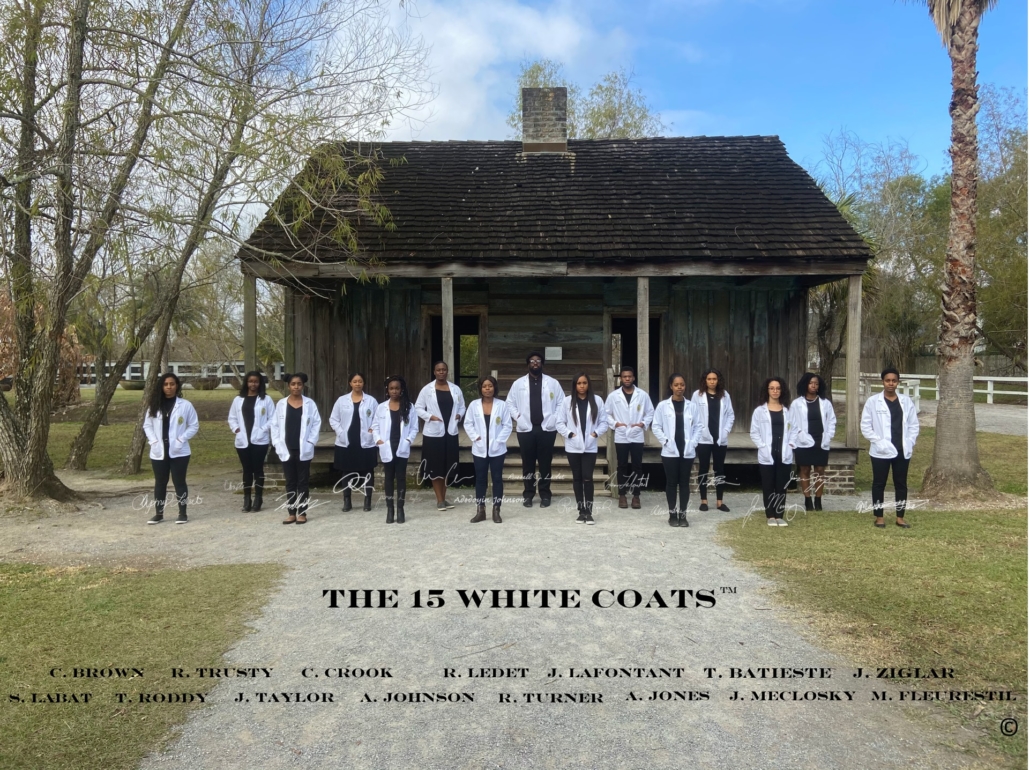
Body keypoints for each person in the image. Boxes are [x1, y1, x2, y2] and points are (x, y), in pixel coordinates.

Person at [860, 367, 920, 529]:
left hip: (901, 450)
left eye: (894, 381)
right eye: (888, 380)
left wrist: (910, 441)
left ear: (898, 382)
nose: (891, 384)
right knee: (879, 483)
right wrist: (878, 442)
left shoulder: (906, 402)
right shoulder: (873, 402)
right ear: (883, 382)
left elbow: (914, 425)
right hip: (880, 451)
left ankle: (900, 517)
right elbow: (866, 426)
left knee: (901, 484)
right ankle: (879, 517)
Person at [505, 351, 565, 508]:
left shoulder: (553, 383)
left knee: (545, 463)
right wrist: (518, 417)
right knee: (528, 463)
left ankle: (545, 495)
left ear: (542, 363)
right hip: (526, 429)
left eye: (538, 360)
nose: (535, 363)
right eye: (532, 361)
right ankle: (528, 494)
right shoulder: (518, 383)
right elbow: (509, 402)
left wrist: (554, 417)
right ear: (528, 364)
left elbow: (561, 402)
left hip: (547, 429)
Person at [143, 373, 199, 524]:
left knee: (179, 481)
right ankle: (159, 514)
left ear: (177, 386)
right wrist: (153, 441)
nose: (169, 387)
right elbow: (147, 425)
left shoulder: (185, 405)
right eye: (166, 384)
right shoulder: (153, 405)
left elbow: (194, 425)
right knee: (160, 482)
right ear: (161, 387)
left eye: (172, 384)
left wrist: (181, 438)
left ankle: (182, 513)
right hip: (159, 450)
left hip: (179, 450)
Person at [651, 373, 702, 528]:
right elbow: (656, 426)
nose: (680, 387)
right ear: (671, 386)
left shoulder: (692, 406)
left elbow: (699, 426)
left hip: (687, 451)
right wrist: (665, 441)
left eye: (682, 385)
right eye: (676, 385)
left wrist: (693, 443)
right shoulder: (662, 406)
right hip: (670, 451)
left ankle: (683, 514)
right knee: (672, 483)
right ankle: (672, 515)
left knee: (685, 483)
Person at [270, 372, 322, 524]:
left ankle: (303, 513)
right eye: (293, 384)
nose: (296, 387)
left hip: (303, 448)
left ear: (303, 386)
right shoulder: (281, 404)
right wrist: (277, 443)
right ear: (288, 386)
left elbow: (316, 423)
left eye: (299, 384)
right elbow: (274, 425)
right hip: (286, 447)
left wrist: (311, 442)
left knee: (303, 481)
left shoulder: (309, 404)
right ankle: (291, 512)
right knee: (290, 481)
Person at [415, 361, 466, 511]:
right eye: (439, 370)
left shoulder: (455, 389)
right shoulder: (427, 389)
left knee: (447, 466)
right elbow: (418, 407)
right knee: (435, 466)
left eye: (444, 369)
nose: (441, 372)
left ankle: (444, 498)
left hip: (450, 432)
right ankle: (439, 500)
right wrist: (430, 416)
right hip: (433, 434)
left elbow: (462, 406)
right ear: (434, 372)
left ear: (447, 371)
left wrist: (459, 415)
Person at [558, 373, 609, 525]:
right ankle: (581, 511)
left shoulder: (597, 400)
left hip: (590, 446)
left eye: (584, 383)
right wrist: (570, 434)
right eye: (579, 383)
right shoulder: (567, 402)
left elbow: (604, 422)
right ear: (575, 385)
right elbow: (559, 422)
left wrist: (595, 433)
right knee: (577, 478)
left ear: (588, 384)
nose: (582, 386)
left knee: (588, 477)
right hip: (573, 446)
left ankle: (589, 512)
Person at [463, 376, 513, 524]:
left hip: (497, 449)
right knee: (480, 479)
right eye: (484, 386)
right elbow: (468, 423)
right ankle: (481, 510)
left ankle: (496, 510)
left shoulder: (502, 405)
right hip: (479, 448)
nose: (487, 389)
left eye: (490, 386)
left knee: (497, 479)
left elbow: (507, 425)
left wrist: (499, 440)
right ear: (480, 388)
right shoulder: (473, 405)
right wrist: (476, 437)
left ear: (494, 387)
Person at [750, 377, 799, 527]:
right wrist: (762, 446)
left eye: (778, 388)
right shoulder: (759, 411)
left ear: (782, 390)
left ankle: (779, 515)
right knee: (768, 485)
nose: (775, 391)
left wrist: (790, 444)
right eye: (772, 388)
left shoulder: (788, 411)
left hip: (783, 452)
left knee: (781, 486)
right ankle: (770, 515)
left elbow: (795, 430)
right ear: (767, 390)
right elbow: (754, 432)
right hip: (767, 453)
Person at [603, 366, 654, 510]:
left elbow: (650, 412)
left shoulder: (642, 395)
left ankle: (636, 495)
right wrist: (615, 423)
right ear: (620, 378)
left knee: (637, 466)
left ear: (633, 378)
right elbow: (605, 414)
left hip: (637, 435)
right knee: (622, 465)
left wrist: (642, 423)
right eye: (624, 376)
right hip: (621, 434)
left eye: (629, 376)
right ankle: (622, 495)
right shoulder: (614, 396)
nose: (627, 379)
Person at [329, 373, 379, 512]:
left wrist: (371, 432)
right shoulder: (341, 400)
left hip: (365, 440)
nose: (357, 384)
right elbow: (333, 419)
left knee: (368, 470)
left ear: (364, 383)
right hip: (346, 440)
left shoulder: (371, 401)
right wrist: (340, 432)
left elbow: (377, 419)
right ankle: (347, 500)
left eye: (360, 381)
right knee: (347, 471)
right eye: (355, 381)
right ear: (350, 383)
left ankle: (367, 499)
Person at [372, 376, 419, 524]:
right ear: (387, 390)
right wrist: (378, 440)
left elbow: (414, 428)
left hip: (401, 446)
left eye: (397, 388)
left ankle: (400, 508)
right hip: (387, 446)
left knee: (401, 478)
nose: (394, 391)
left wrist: (407, 440)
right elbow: (375, 426)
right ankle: (389, 509)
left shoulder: (409, 407)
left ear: (402, 389)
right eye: (391, 388)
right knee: (388, 478)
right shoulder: (381, 407)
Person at [227, 371, 275, 512]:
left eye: (256, 381)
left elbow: (273, 418)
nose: (253, 384)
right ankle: (247, 499)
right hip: (242, 440)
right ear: (246, 383)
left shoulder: (266, 399)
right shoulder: (238, 400)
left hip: (260, 440)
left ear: (260, 383)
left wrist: (263, 429)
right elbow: (232, 417)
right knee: (247, 470)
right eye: (250, 381)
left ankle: (258, 498)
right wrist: (236, 430)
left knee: (258, 469)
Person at [790, 373, 837, 512]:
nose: (813, 386)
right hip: (803, 441)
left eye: (816, 383)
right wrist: (799, 434)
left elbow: (832, 421)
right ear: (805, 384)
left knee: (820, 470)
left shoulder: (825, 403)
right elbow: (791, 422)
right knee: (804, 469)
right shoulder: (796, 403)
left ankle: (818, 500)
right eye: (811, 383)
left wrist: (828, 435)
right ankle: (807, 500)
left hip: (820, 440)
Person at [691, 368, 735, 513]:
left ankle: (719, 501)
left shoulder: (725, 395)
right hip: (703, 439)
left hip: (720, 438)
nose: (712, 381)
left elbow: (730, 415)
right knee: (703, 468)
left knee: (719, 469)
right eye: (709, 379)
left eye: (714, 379)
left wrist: (725, 431)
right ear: (705, 380)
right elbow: (692, 415)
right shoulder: (697, 395)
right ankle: (704, 500)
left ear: (718, 380)